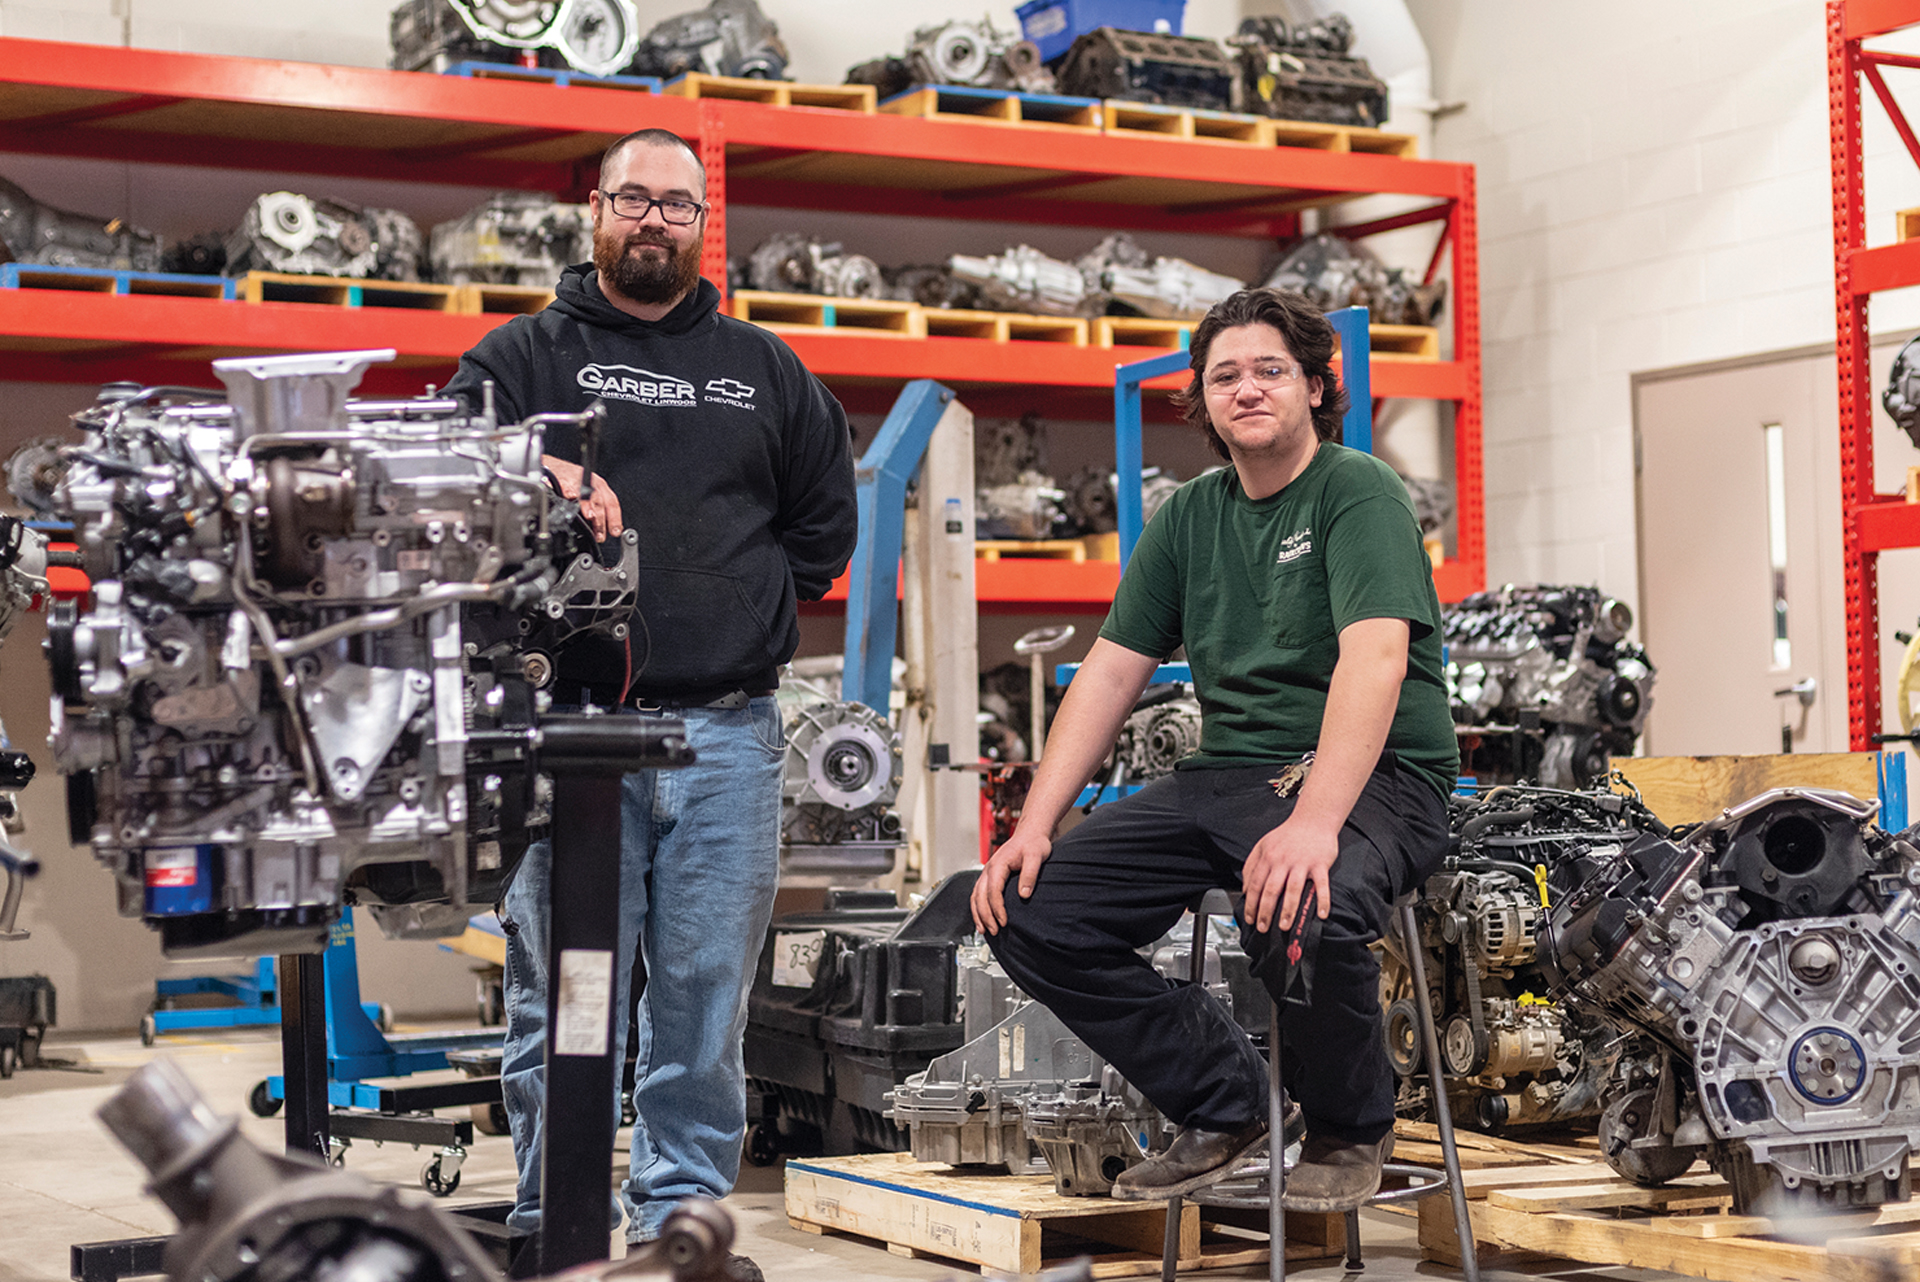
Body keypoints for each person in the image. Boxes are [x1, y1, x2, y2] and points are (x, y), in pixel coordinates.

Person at [445, 128, 857, 1261]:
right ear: (596, 208)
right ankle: (554, 1215)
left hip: (726, 737)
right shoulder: (522, 356)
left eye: (678, 205)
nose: (654, 221)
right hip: (569, 744)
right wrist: (535, 465)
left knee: (703, 1002)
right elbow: (443, 470)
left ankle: (679, 1225)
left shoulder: (763, 367)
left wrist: (735, 595)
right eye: (635, 198)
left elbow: (823, 524)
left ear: (699, 224)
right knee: (565, 994)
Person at [970, 287, 1456, 1212]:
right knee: (1027, 906)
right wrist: (1035, 825)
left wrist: (1317, 825)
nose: (1248, 389)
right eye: (1224, 375)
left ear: (1317, 385)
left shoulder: (1357, 489)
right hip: (1233, 778)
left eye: (1271, 370)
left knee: (1302, 900)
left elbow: (1377, 657)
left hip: (1379, 777)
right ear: (1201, 400)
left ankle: (1351, 1129)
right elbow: (1112, 672)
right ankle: (1227, 1103)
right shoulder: (1192, 513)